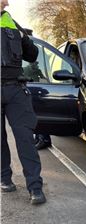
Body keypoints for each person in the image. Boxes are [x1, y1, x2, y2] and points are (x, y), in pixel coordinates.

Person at [1, 0, 46, 204]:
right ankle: (4, 179)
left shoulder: (12, 23)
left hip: (15, 89)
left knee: (25, 137)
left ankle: (35, 187)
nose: (7, 2)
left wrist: (24, 38)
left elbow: (32, 54)